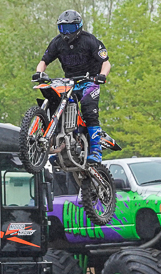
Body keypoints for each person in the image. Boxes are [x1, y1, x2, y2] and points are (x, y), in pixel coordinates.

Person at [34, 9, 111, 164]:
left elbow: (106, 62)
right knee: (58, 106)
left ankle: (96, 150)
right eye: (63, 29)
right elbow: (44, 61)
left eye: (70, 28)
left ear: (79, 26)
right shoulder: (57, 42)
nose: (67, 33)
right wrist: (39, 72)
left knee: (89, 109)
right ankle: (62, 145)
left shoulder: (89, 40)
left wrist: (102, 76)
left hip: (90, 80)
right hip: (69, 82)